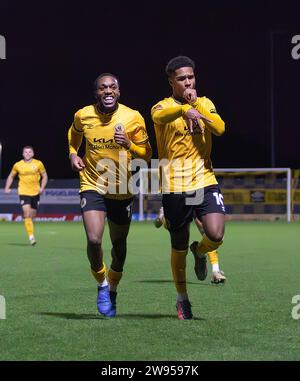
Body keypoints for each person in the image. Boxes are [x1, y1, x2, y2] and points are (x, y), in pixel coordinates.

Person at [68, 73, 152, 317]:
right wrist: (73, 154)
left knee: (119, 247)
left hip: (121, 189)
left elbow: (146, 154)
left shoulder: (133, 117)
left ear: (118, 92)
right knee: (94, 240)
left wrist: (128, 144)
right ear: (96, 92)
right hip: (92, 183)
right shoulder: (83, 115)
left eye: (112, 87)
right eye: (103, 87)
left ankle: (113, 288)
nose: (108, 90)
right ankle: (102, 284)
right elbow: (73, 138)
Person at [151, 56, 226, 320]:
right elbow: (159, 115)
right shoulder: (162, 107)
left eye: (191, 77)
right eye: (182, 78)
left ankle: (201, 250)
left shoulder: (205, 103)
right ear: (171, 81)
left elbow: (219, 128)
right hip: (174, 185)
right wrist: (184, 110)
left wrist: (195, 106)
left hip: (204, 179)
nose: (188, 82)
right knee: (178, 245)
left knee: (216, 234)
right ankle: (182, 299)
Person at [154, 207, 226, 284]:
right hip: (184, 200)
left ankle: (208, 263)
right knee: (175, 228)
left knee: (208, 233)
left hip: (191, 200)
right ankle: (163, 215)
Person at [4, 146, 48, 245]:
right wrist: (7, 187)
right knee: (26, 213)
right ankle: (31, 237)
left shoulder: (38, 164)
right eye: (25, 152)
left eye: (29, 152)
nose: (27, 154)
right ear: (23, 154)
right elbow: (11, 176)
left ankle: (30, 228)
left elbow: (45, 176)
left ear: (33, 153)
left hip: (35, 193)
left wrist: (42, 187)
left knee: (32, 215)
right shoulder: (18, 165)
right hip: (23, 192)